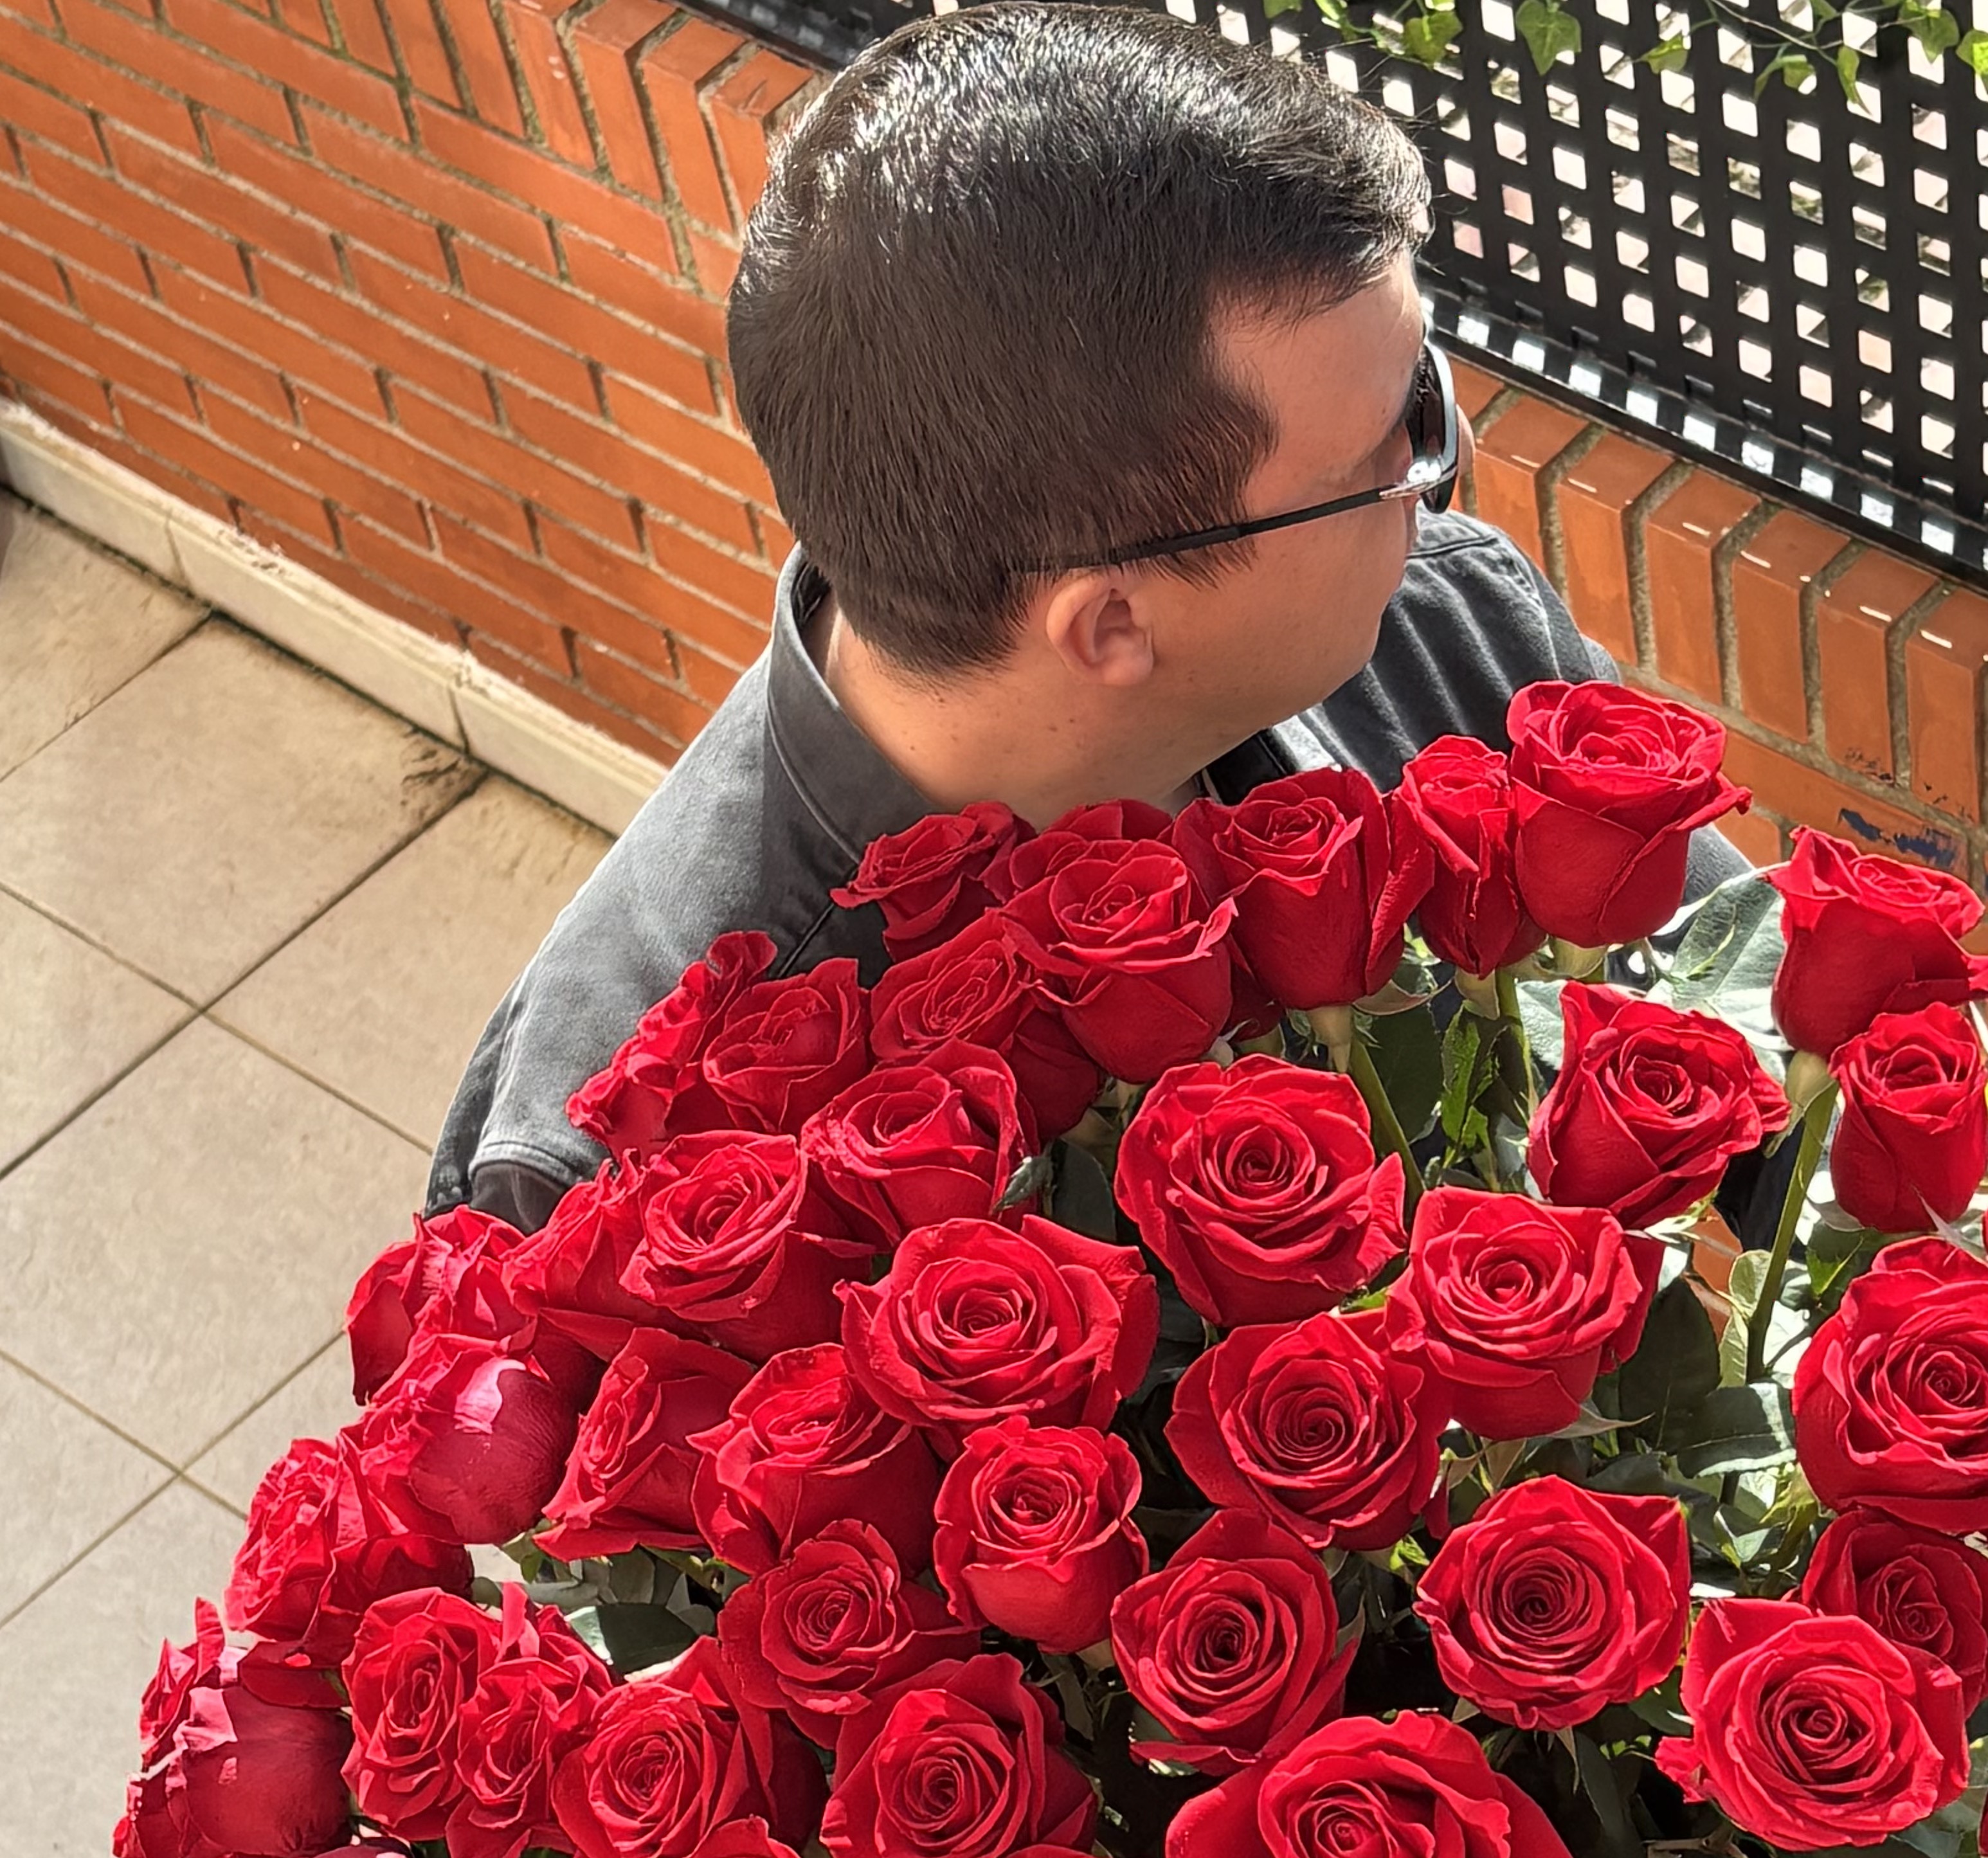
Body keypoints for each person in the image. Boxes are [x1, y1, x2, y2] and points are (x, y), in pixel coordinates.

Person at [429, 1, 1770, 1233]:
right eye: (1395, 436)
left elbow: (1759, 1027)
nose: (1450, 459)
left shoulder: (1444, 630)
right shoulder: (626, 1160)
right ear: (1111, 627)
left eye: (1423, 381)